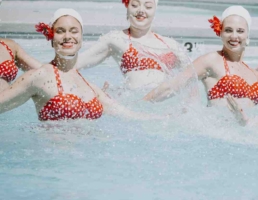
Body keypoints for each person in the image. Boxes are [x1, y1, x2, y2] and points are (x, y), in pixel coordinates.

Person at [0, 8, 157, 121]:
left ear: (81, 38)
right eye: (61, 31)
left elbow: (130, 115)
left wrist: (168, 117)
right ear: (51, 38)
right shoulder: (40, 76)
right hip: (54, 159)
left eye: (74, 31)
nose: (68, 36)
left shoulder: (89, 86)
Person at [144, 6, 258, 108]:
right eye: (228, 30)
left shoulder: (253, 75)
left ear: (247, 35)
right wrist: (139, 107)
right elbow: (171, 86)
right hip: (215, 138)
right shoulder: (211, 61)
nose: (234, 36)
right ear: (220, 33)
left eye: (240, 31)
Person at [76, 0, 187, 89]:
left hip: (166, 106)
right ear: (127, 9)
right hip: (137, 103)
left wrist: (188, 105)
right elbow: (77, 64)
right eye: (134, 5)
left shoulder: (170, 44)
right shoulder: (116, 39)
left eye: (148, 6)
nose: (141, 10)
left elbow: (194, 75)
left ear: (154, 11)